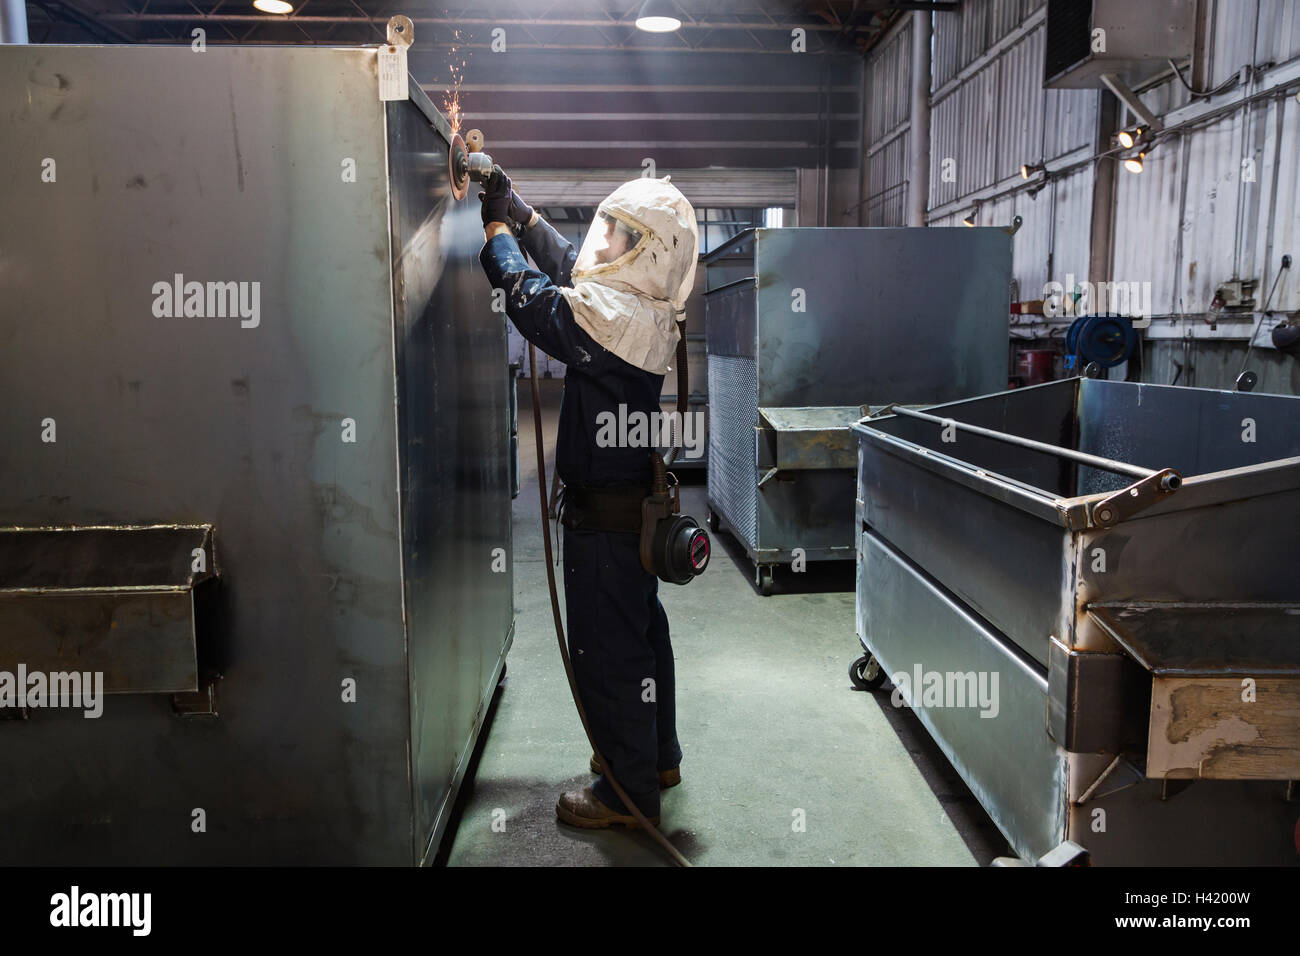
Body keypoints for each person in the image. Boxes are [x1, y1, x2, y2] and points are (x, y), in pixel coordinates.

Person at [477, 166, 698, 829]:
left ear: (647, 250)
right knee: (642, 635)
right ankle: (656, 756)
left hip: (603, 522)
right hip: (630, 510)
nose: (603, 244)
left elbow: (532, 298)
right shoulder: (643, 308)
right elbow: (576, 269)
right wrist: (523, 214)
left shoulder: (613, 319)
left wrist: (495, 233)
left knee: (607, 653)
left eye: (619, 235)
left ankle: (626, 796)